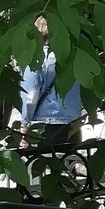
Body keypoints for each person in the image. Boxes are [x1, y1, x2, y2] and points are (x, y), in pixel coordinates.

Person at [19, 15, 81, 145]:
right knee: (69, 162)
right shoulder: (74, 57)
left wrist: (24, 125)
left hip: (46, 123)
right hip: (72, 124)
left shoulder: (37, 58)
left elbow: (31, 94)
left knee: (46, 162)